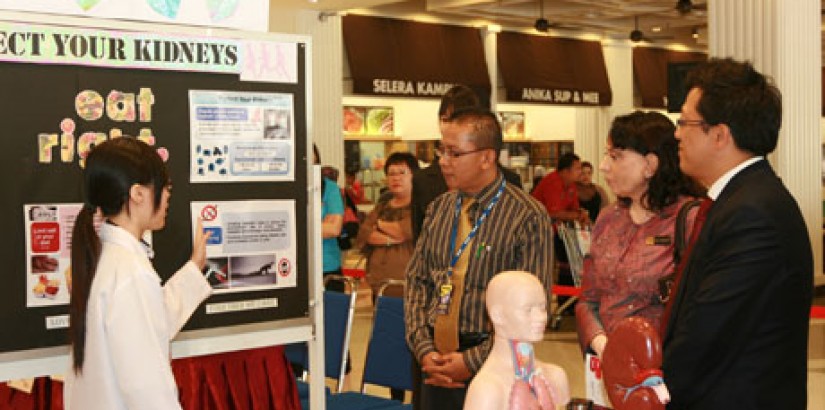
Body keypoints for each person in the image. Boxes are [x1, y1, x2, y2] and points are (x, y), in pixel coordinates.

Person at [662, 58, 813, 409]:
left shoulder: (752, 213)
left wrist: (653, 390)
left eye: (685, 122)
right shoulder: (740, 199)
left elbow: (709, 335)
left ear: (719, 135)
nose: (676, 133)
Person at [405, 108, 553, 410]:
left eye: (453, 153)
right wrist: (424, 348)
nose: (443, 162)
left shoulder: (527, 216)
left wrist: (471, 361)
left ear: (487, 158)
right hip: (433, 359)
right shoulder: (439, 209)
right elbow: (417, 281)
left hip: (493, 365)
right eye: (441, 151)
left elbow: (537, 305)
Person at [65, 137, 211, 409]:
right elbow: (147, 387)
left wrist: (194, 268)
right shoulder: (129, 271)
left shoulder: (105, 259)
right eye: (164, 185)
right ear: (137, 194)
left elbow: (149, 324)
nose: (168, 194)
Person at [574, 111, 704, 357]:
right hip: (607, 365)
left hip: (662, 369)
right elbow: (588, 298)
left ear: (650, 165)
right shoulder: (608, 218)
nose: (603, 166)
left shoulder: (689, 219)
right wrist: (602, 344)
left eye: (615, 156)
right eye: (606, 155)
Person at [411, 84, 522, 243]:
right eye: (445, 119)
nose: (450, 126)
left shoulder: (511, 186)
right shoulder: (425, 184)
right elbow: (419, 245)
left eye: (459, 119)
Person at [464, 270, 570, 410]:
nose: (541, 317)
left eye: (543, 308)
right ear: (498, 315)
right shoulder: (487, 389)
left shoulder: (556, 376)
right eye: (528, 310)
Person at [530, 152, 589, 313]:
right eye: (577, 168)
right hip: (537, 232)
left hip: (557, 231)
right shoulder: (553, 182)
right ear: (565, 171)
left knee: (568, 261)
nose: (580, 172)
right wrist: (577, 215)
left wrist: (580, 214)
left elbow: (573, 208)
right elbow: (553, 212)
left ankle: (566, 301)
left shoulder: (570, 186)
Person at [356, 151, 419, 299]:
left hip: (409, 289)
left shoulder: (420, 207)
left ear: (414, 176)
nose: (396, 178)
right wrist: (391, 239)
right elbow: (365, 235)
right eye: (391, 174)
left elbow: (403, 231)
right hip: (378, 287)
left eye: (402, 173)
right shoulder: (382, 206)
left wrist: (379, 224)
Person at [314, 144, 345, 292]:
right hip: (293, 267)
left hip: (328, 266)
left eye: (313, 163)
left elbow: (333, 229)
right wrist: (320, 224)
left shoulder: (330, 188)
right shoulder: (285, 189)